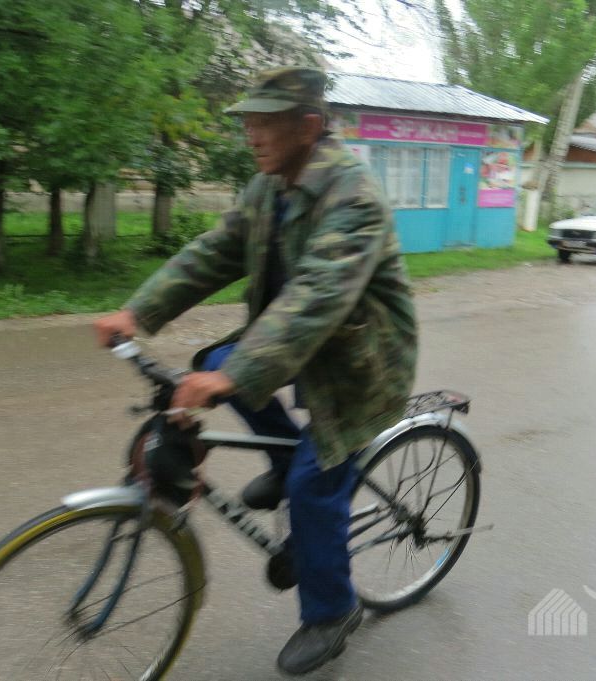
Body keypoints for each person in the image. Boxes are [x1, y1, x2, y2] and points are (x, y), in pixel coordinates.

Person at [94, 66, 417, 676]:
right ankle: (284, 459)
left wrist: (236, 377)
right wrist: (139, 312)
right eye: (249, 121)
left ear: (309, 127)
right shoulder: (269, 187)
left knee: (313, 484)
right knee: (215, 363)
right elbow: (214, 251)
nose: (252, 134)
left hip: (361, 360)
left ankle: (332, 611)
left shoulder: (353, 196)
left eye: (266, 122)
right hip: (302, 341)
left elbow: (317, 295)